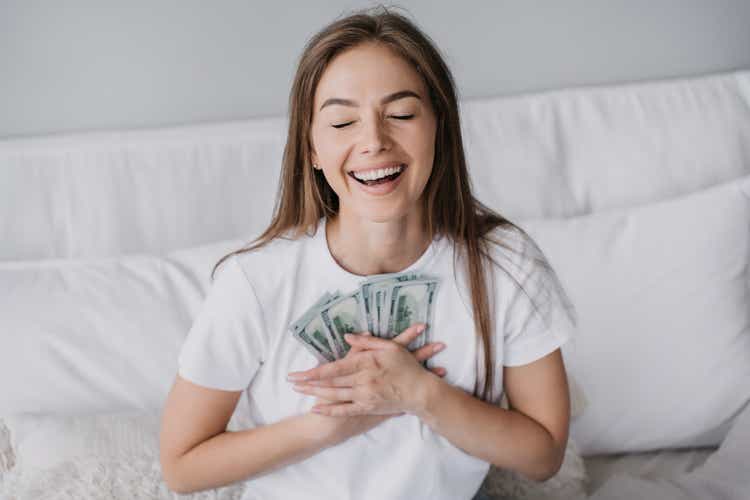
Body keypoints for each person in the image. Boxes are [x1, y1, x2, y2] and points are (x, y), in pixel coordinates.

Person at [159, 5, 578, 500]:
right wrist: (333, 424)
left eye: (400, 114)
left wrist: (420, 393)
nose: (373, 141)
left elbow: (545, 454)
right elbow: (182, 468)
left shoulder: (506, 265)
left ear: (438, 127)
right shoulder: (254, 282)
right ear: (311, 148)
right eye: (342, 123)